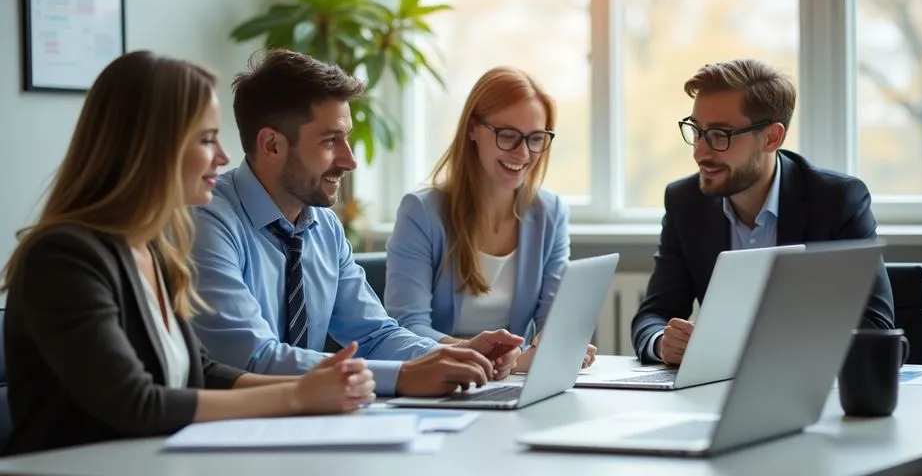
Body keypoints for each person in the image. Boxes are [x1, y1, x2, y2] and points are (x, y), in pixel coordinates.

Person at [0, 51, 376, 456]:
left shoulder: (151, 248)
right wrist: (297, 398)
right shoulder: (63, 258)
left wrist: (316, 386)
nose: (224, 156)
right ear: (151, 147)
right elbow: (137, 403)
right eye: (206, 139)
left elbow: (202, 372)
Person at [189, 48, 523, 398]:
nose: (350, 161)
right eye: (330, 140)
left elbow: (375, 335)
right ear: (272, 145)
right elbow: (253, 358)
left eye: (345, 138)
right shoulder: (209, 221)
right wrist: (402, 377)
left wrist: (458, 354)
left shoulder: (324, 227)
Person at [630, 58, 896, 365]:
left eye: (720, 134)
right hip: (716, 393)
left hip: (812, 394)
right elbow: (653, 315)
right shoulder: (685, 201)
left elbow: (875, 327)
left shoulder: (836, 200)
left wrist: (764, 347)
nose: (700, 152)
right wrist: (662, 341)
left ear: (771, 138)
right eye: (697, 131)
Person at [384, 66, 596, 372]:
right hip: (438, 379)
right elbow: (408, 328)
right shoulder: (421, 212)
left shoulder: (549, 213)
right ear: (472, 129)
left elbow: (555, 320)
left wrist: (561, 345)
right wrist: (484, 356)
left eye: (536, 138)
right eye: (508, 135)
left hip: (511, 381)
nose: (523, 153)